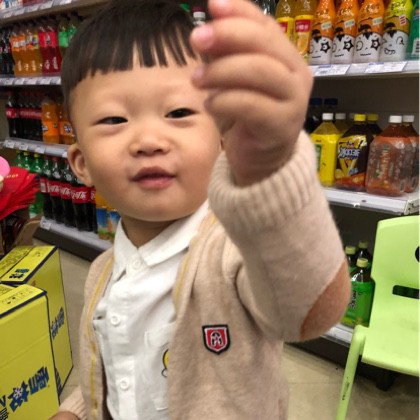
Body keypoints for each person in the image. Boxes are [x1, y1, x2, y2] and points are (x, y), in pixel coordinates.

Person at [51, 0, 350, 418]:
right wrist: (77, 410)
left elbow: (309, 311)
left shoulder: (234, 253)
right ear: (81, 163)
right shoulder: (102, 273)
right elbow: (117, 366)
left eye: (178, 112)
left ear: (222, 141)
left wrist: (274, 171)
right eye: (114, 119)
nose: (149, 140)